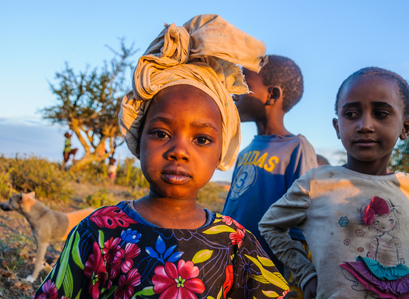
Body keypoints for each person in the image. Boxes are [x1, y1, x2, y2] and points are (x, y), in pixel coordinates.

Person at [34, 14, 289, 299]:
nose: (179, 150)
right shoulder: (97, 232)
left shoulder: (236, 244)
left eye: (202, 139)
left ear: (222, 150)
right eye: (160, 133)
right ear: (138, 137)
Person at [259, 67, 409, 299]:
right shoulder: (316, 183)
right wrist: (305, 273)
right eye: (351, 114)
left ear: (405, 127)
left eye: (380, 113)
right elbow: (271, 225)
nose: (364, 125)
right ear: (337, 127)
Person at [222, 55, 317, 298]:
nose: (235, 91)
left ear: (271, 95)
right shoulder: (244, 152)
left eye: (243, 85)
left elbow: (303, 218)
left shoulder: (297, 148)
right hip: (231, 262)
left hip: (269, 269)